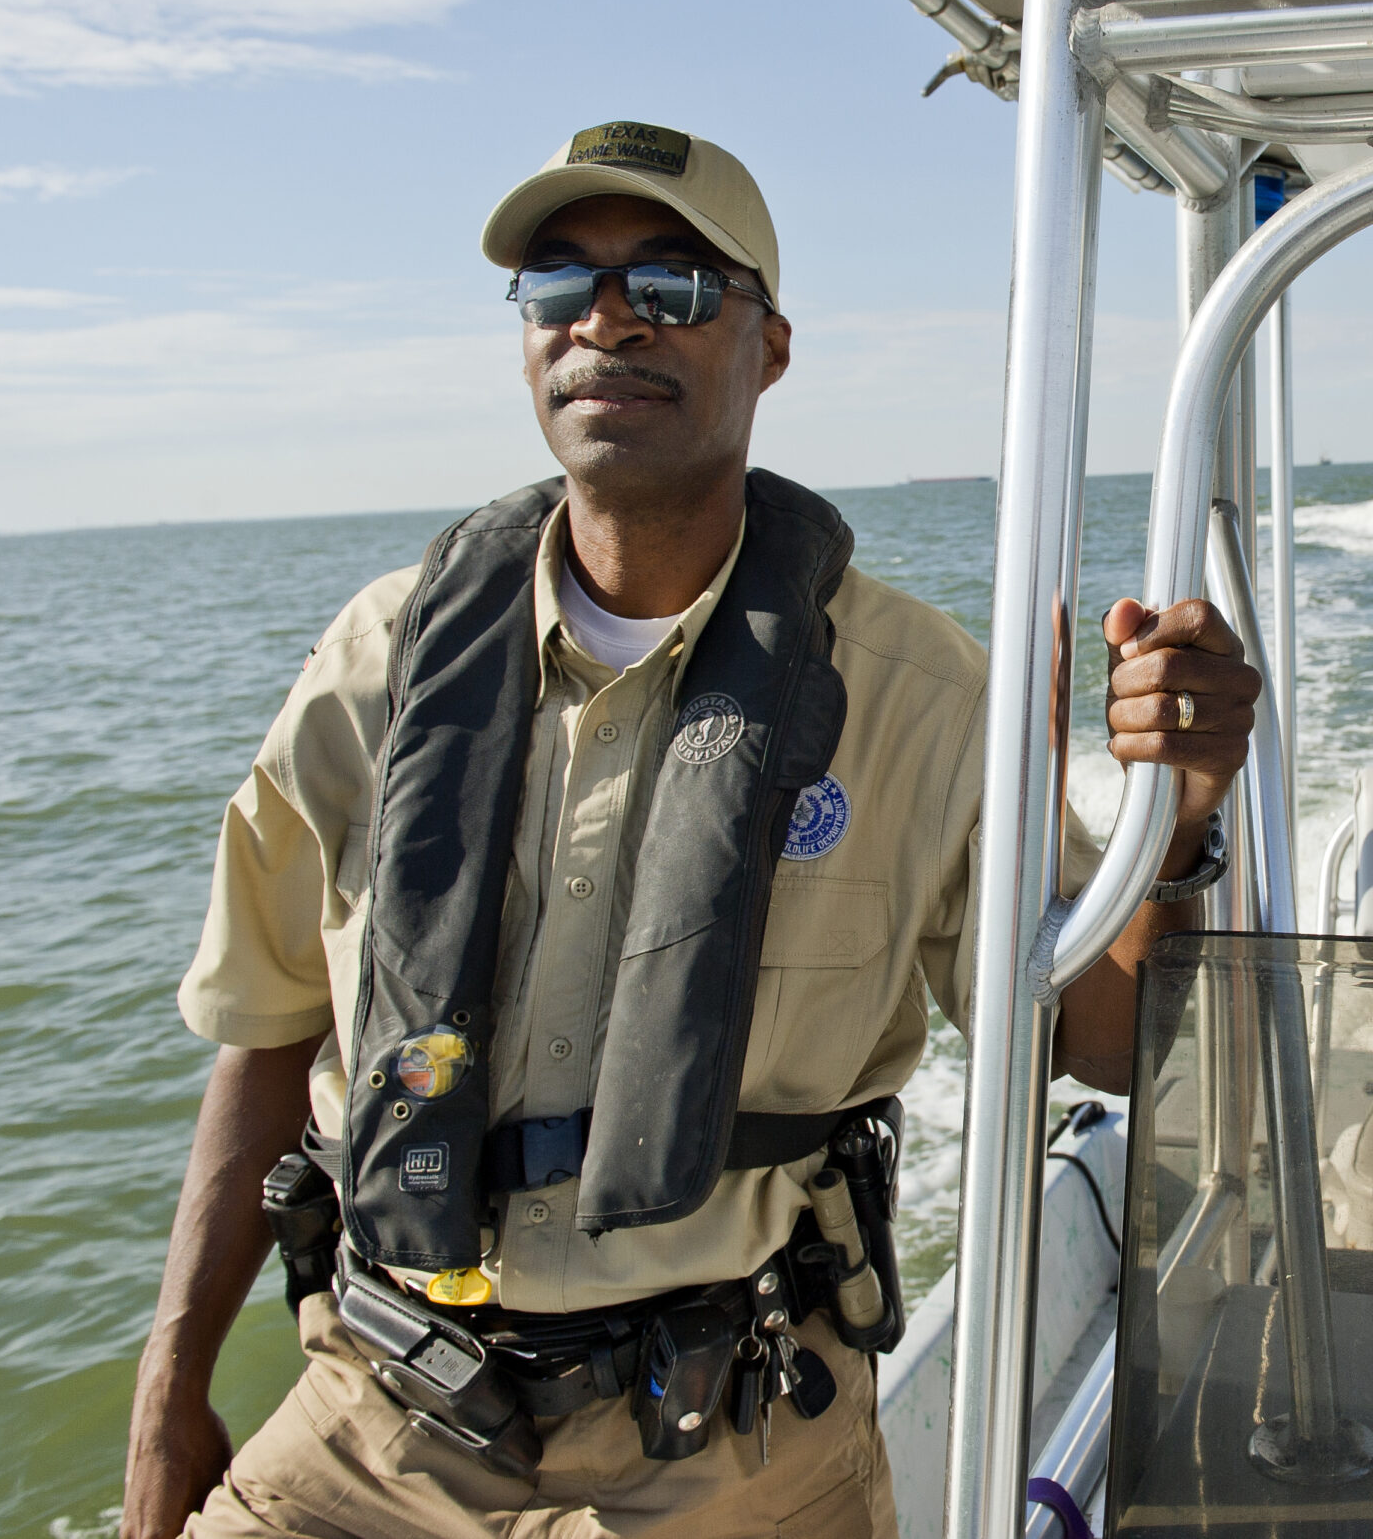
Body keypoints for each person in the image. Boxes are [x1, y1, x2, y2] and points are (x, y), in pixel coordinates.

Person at [120, 122, 1261, 1539]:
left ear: (768, 348)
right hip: (377, 1411)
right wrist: (169, 1377)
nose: (604, 320)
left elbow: (1095, 1040)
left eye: (668, 286)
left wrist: (1184, 812)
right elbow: (269, 1018)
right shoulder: (379, 662)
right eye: (559, 285)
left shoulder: (918, 696)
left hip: (736, 1441)